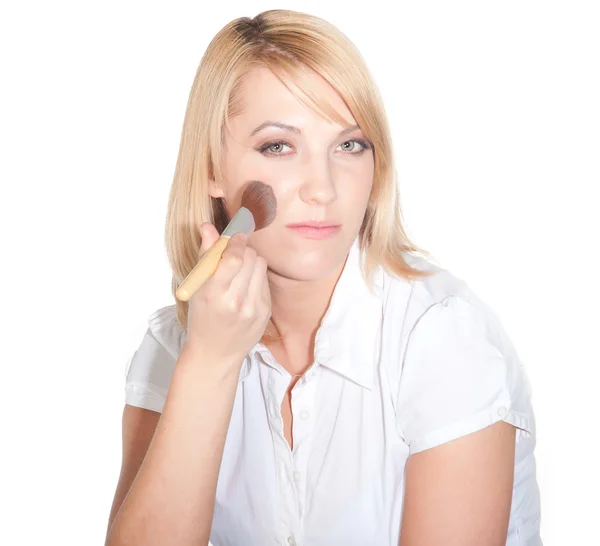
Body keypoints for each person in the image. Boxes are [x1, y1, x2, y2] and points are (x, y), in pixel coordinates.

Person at [105, 9, 541, 546]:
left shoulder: (441, 337)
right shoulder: (169, 348)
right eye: (278, 146)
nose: (323, 187)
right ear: (214, 170)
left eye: (349, 144)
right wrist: (209, 364)